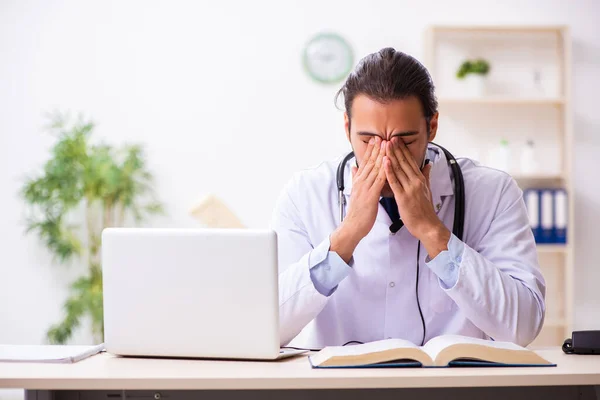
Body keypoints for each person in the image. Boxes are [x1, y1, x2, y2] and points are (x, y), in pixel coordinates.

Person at [271, 48, 545, 349]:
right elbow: (268, 327)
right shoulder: (304, 194)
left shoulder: (493, 192)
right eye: (368, 141)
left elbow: (524, 327)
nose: (386, 157)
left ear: (432, 127)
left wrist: (433, 232)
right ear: (347, 127)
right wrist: (347, 235)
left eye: (405, 142)